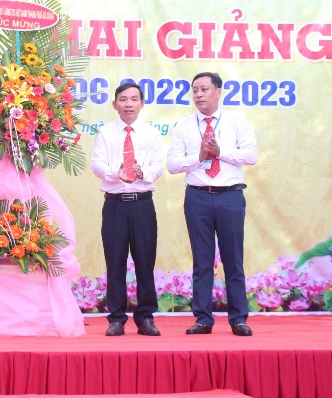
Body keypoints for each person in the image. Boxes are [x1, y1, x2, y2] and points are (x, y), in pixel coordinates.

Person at [167, 71, 258, 337]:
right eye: (195, 90)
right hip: (197, 196)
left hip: (230, 196)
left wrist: (221, 153)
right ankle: (203, 319)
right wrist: (199, 157)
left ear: (218, 92)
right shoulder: (184, 126)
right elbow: (173, 165)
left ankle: (238, 319)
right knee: (202, 261)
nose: (199, 94)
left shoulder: (237, 122)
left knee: (233, 260)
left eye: (204, 89)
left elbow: (251, 155)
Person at [91, 82, 164, 337]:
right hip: (114, 206)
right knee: (115, 263)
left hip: (143, 204)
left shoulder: (152, 134)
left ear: (142, 104)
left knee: (145, 262)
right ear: (115, 104)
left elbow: (158, 167)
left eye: (134, 99)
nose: (129, 104)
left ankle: (145, 318)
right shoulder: (105, 133)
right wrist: (116, 172)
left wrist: (143, 172)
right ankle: (117, 319)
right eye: (123, 99)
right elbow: (97, 165)